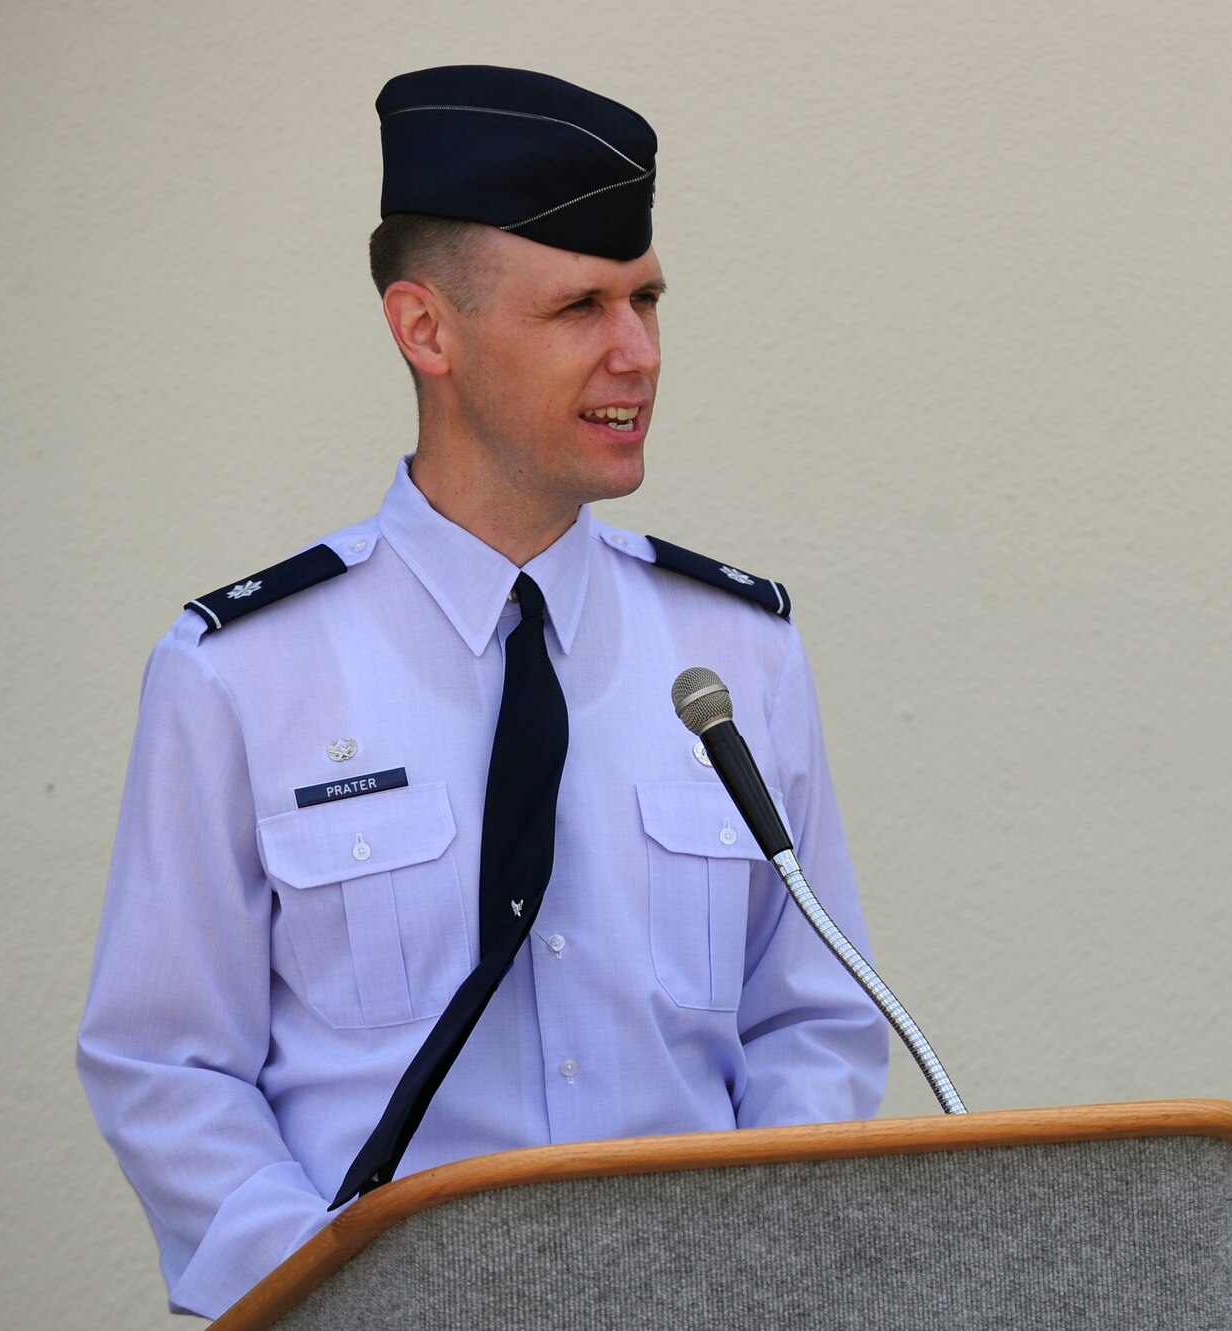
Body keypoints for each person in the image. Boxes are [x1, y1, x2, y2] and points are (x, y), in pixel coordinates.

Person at [77, 65, 888, 1318]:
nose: (639, 352)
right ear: (426, 330)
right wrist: (331, 1297)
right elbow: (167, 1062)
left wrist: (757, 1272)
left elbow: (815, 1020)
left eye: (648, 299)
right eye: (580, 306)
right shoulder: (240, 672)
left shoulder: (735, 657)